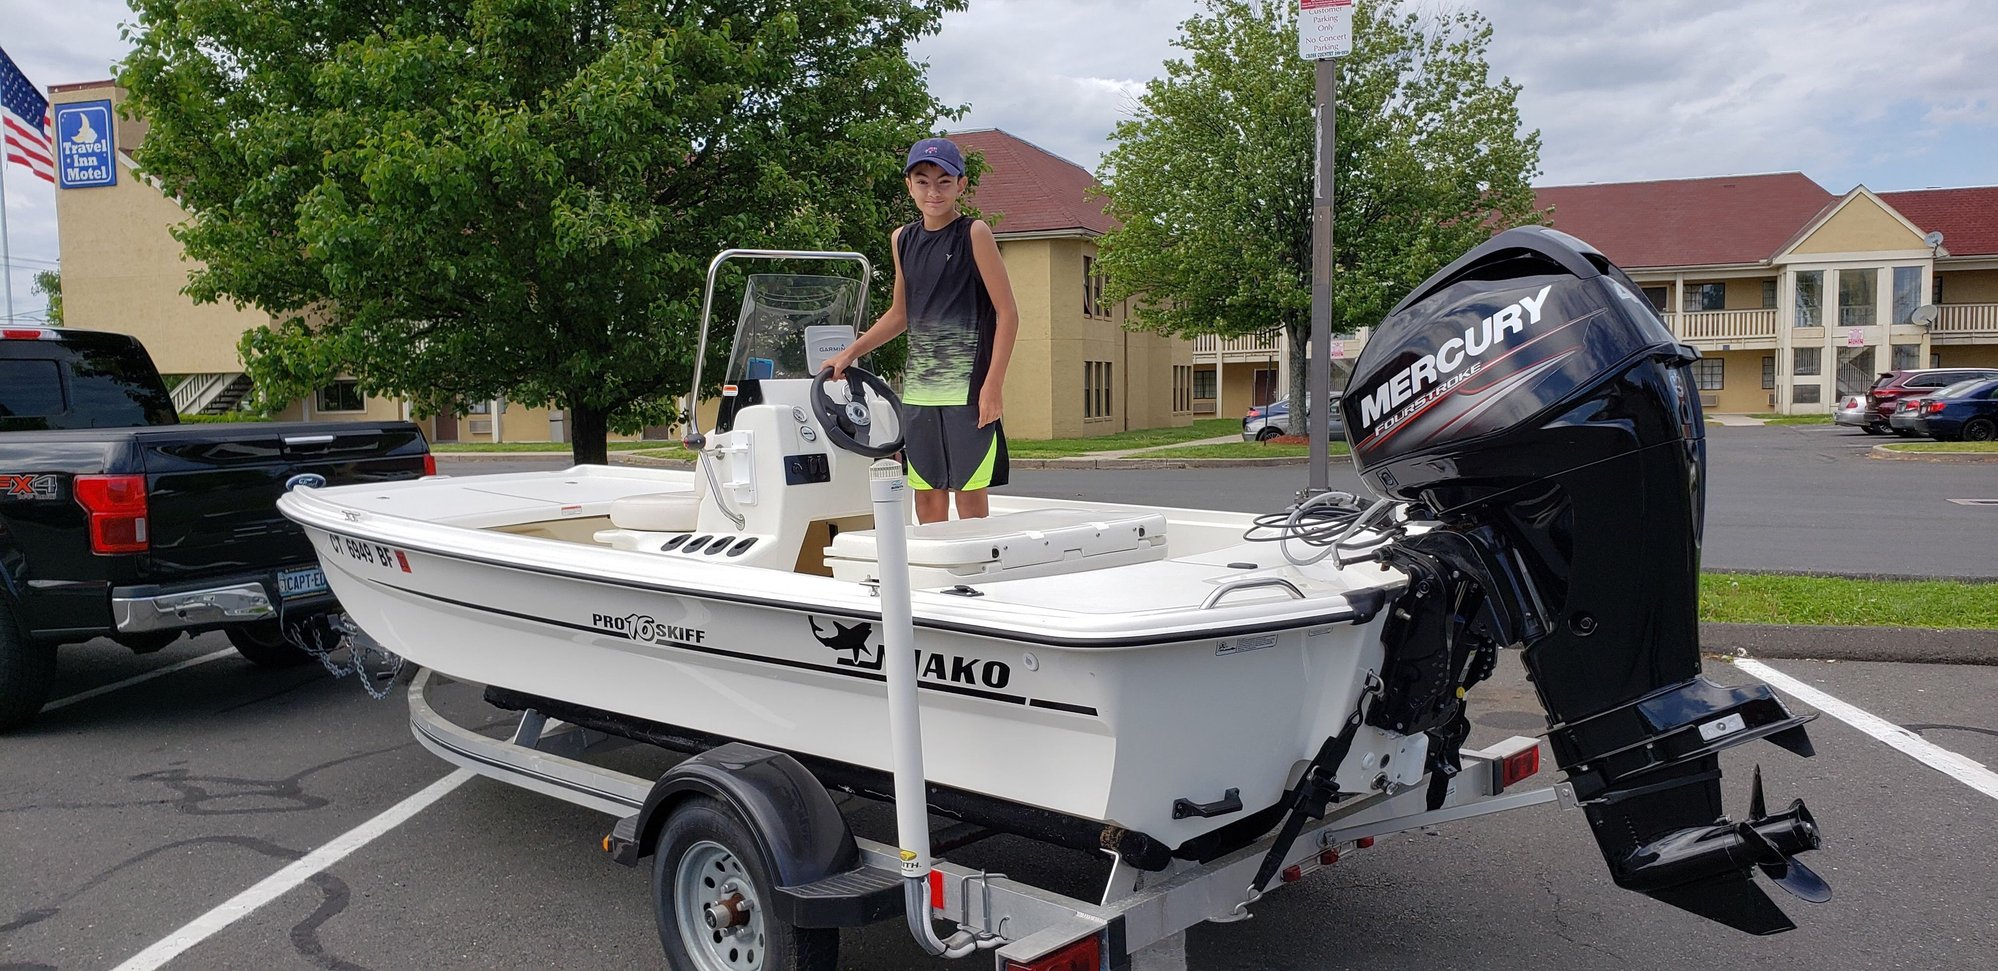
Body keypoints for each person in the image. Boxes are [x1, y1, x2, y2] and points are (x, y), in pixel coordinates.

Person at [826, 137, 1018, 522]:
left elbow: (1008, 313)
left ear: (961, 185)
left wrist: (993, 386)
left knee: (969, 495)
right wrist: (850, 353)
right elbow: (900, 314)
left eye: (944, 181)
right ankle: (934, 564)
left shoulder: (974, 233)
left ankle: (971, 562)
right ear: (909, 186)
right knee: (927, 496)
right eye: (923, 181)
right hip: (919, 392)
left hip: (967, 391)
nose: (934, 191)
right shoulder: (902, 239)